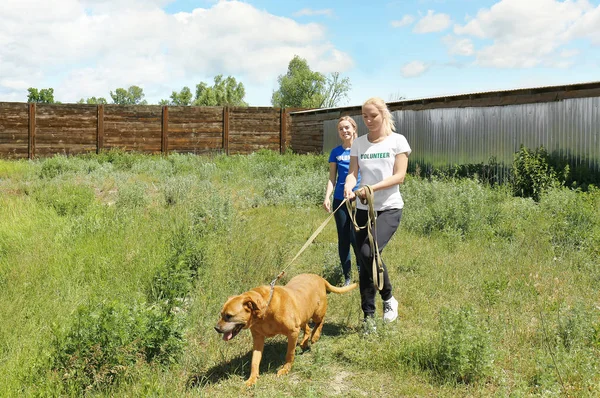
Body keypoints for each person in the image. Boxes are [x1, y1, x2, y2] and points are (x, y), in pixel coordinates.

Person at [344, 97, 411, 324]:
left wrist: (370, 188)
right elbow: (353, 172)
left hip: (389, 208)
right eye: (365, 116)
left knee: (368, 253)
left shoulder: (397, 141)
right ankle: (369, 317)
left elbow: (399, 176)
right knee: (364, 264)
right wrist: (348, 186)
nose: (369, 120)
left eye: (373, 115)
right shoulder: (359, 143)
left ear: (383, 114)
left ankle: (389, 297)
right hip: (363, 209)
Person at [323, 116, 361, 286]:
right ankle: (347, 276)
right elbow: (332, 178)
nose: (344, 131)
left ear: (354, 128)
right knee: (344, 238)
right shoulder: (336, 152)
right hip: (340, 199)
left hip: (360, 199)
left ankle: (362, 272)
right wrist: (327, 197)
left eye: (347, 127)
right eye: (341, 129)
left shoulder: (362, 149)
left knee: (358, 237)